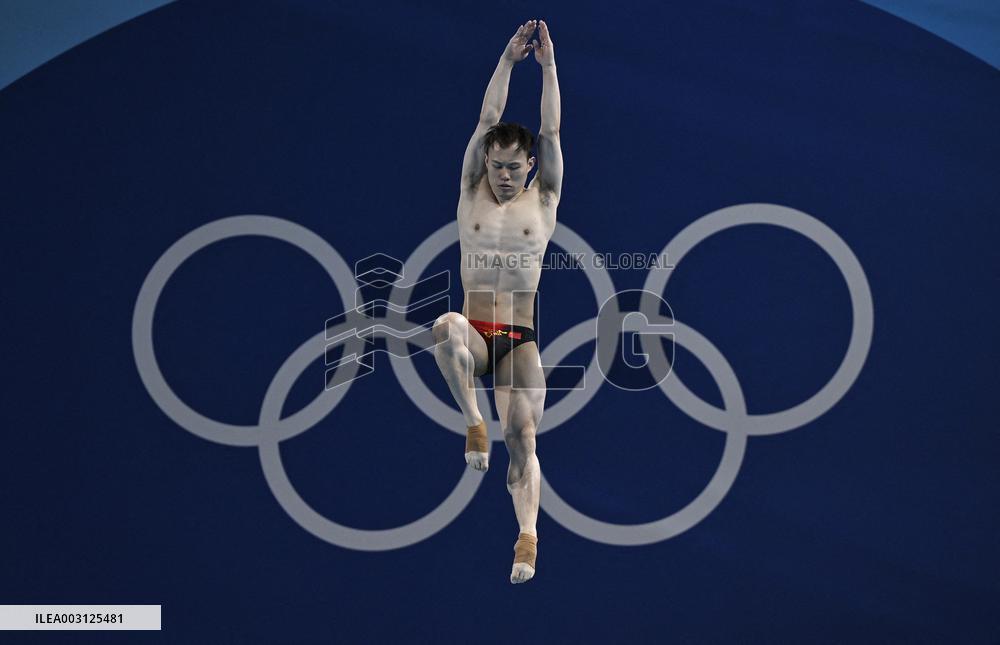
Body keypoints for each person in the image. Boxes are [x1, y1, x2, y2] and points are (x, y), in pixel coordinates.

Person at [432, 19, 562, 585]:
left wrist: (549, 69)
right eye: (497, 166)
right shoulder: (470, 192)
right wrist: (507, 63)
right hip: (477, 330)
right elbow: (487, 121)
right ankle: (471, 423)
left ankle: (527, 536)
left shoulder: (546, 197)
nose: (505, 176)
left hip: (520, 339)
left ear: (529, 166)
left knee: (525, 436)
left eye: (514, 167)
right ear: (486, 163)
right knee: (444, 326)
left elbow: (552, 133)